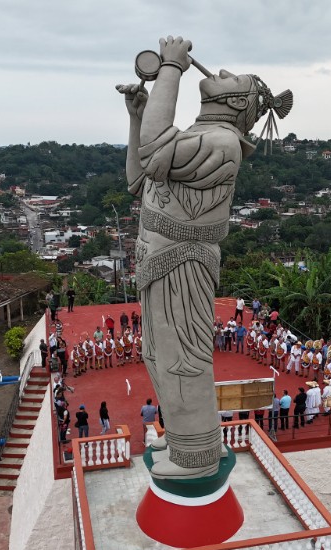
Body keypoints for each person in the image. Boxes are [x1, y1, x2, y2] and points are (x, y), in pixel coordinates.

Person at [118, 35, 292, 479]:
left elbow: (153, 151)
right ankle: (180, 438)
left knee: (183, 353)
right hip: (160, 255)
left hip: (184, 259)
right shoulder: (200, 136)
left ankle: (196, 454)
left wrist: (171, 69)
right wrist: (138, 117)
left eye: (232, 78)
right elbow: (139, 180)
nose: (219, 73)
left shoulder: (222, 142)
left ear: (237, 102)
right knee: (156, 350)